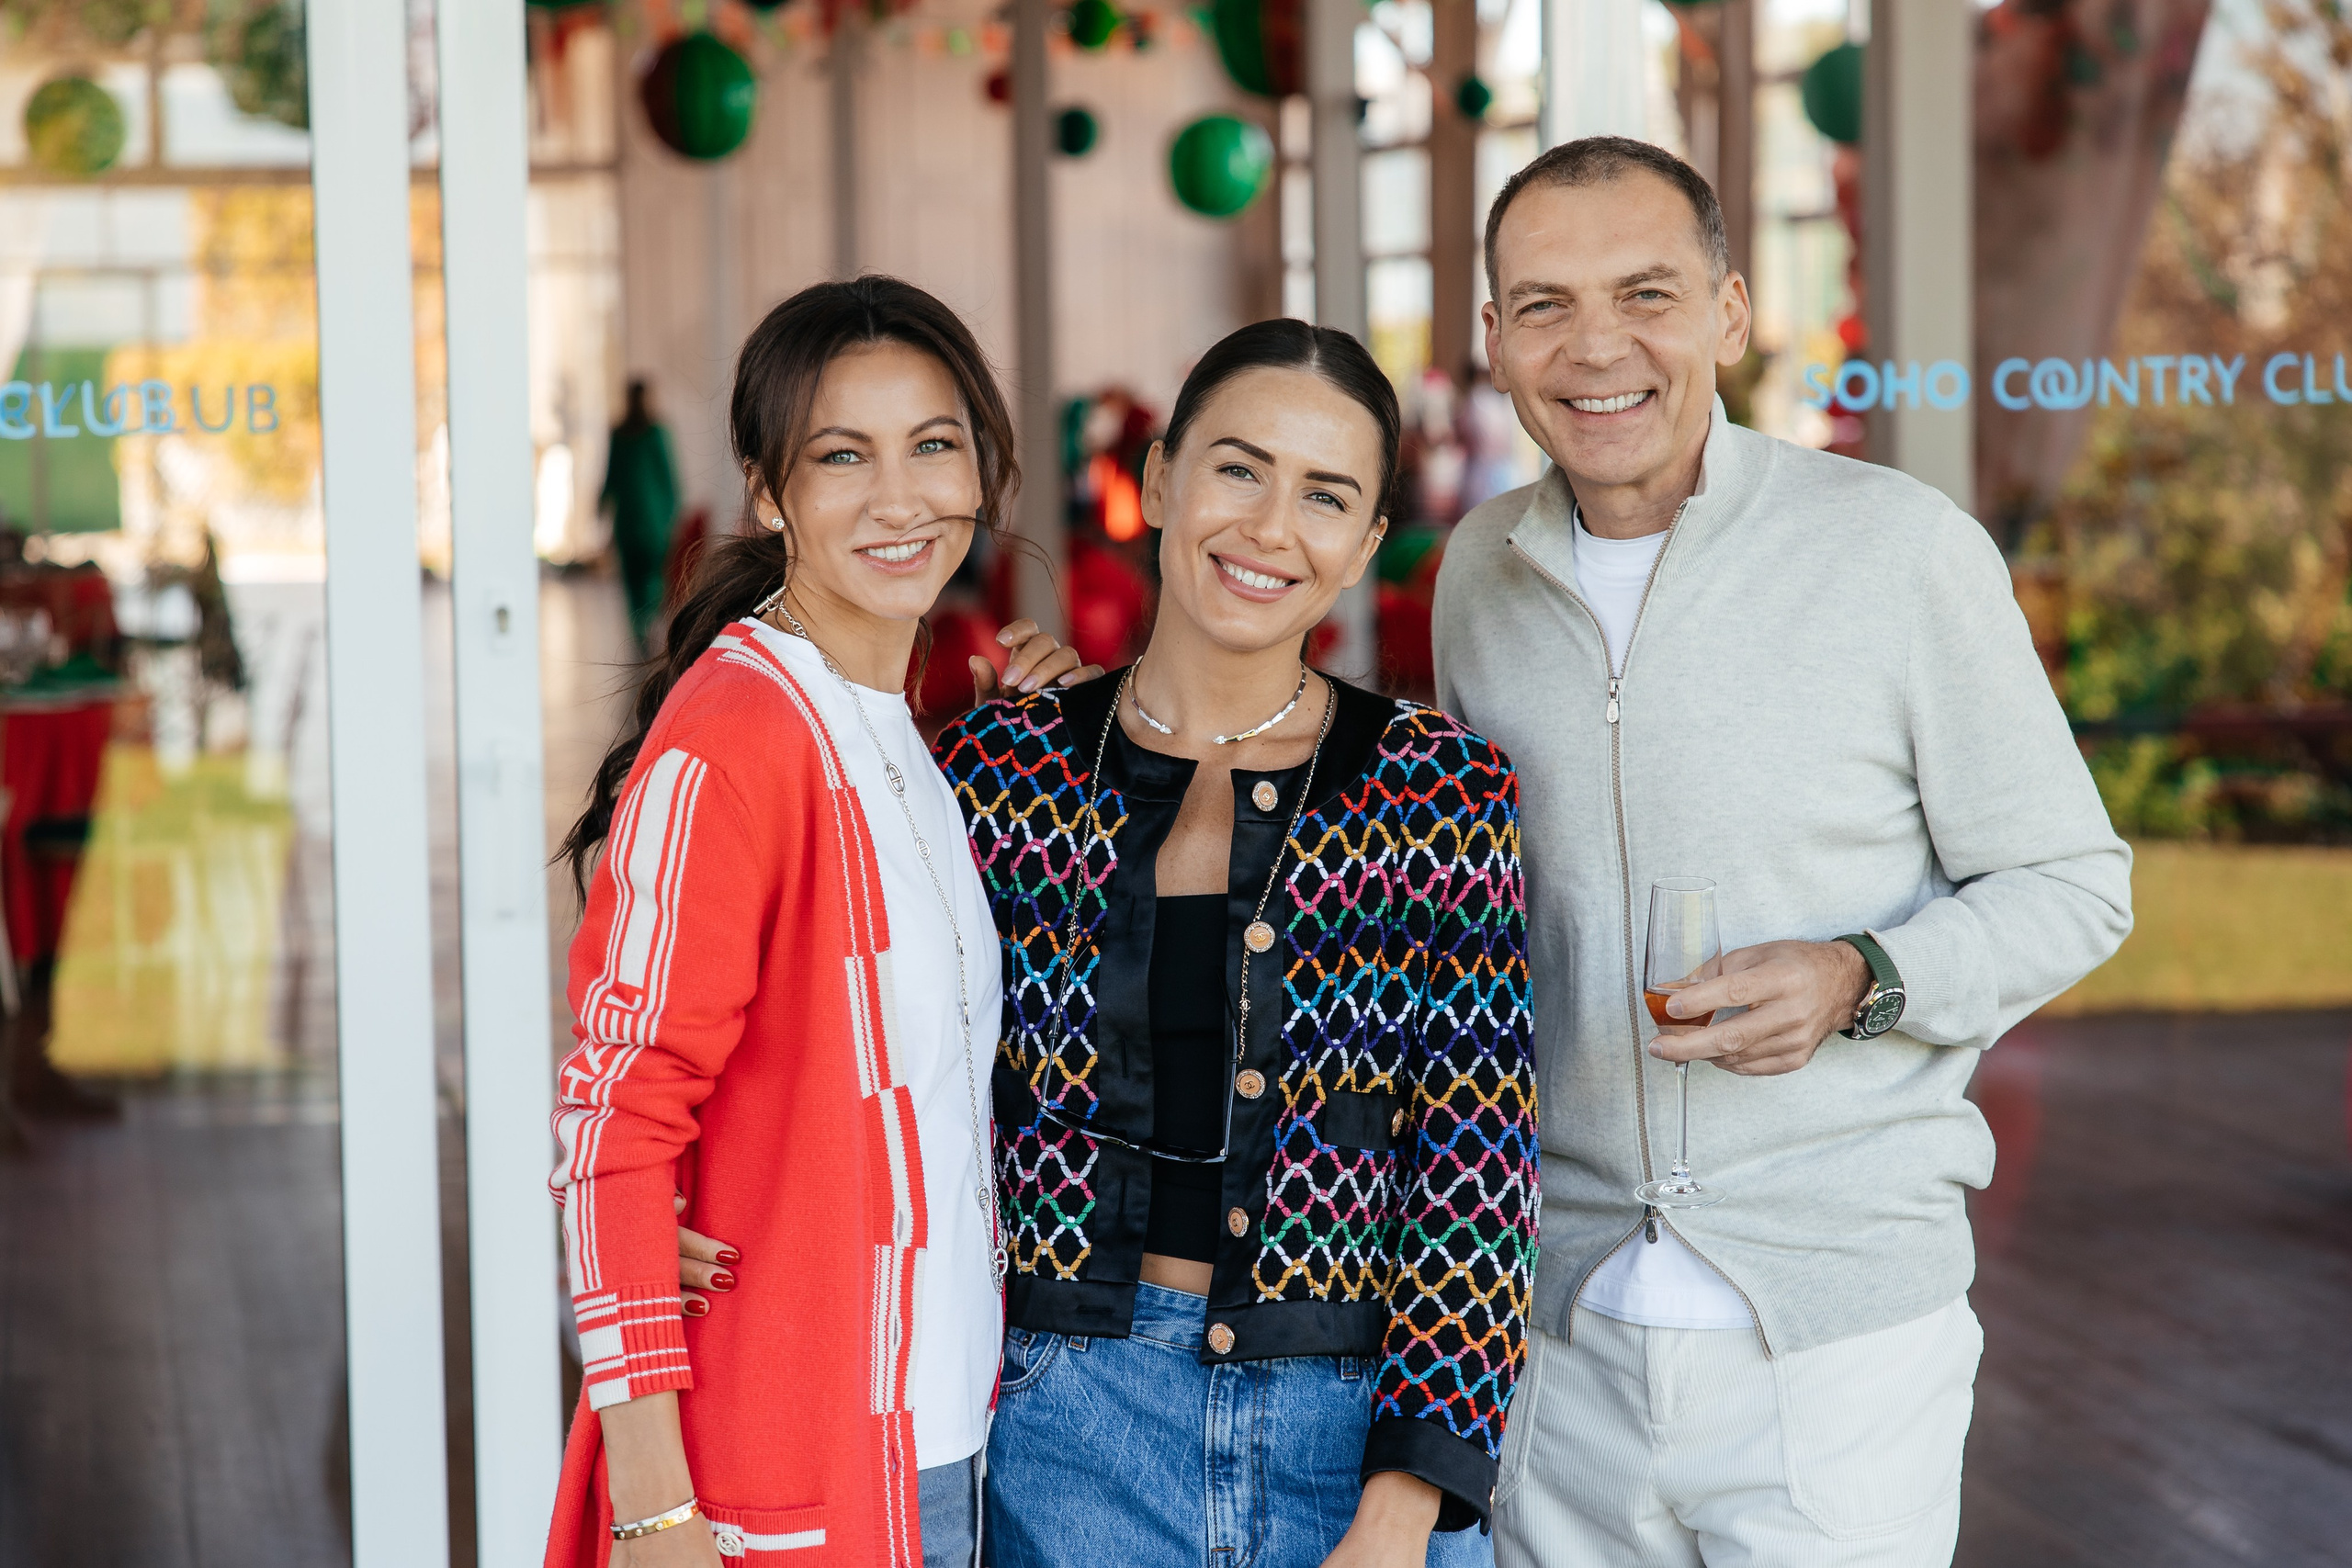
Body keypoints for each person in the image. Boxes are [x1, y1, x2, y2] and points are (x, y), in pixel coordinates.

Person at [1432, 137, 2134, 1566]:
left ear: (1733, 314)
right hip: (1555, 1331)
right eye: (1546, 304)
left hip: (1836, 1334)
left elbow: (2074, 882)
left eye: (1648, 292)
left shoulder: (1897, 549)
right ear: (1494, 337)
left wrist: (1858, 973)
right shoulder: (1477, 573)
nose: (1598, 347)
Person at [942, 320, 1538, 1567]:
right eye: (1238, 468)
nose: (1271, 526)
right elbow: (879, 1064)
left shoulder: (1439, 793)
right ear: (1158, 482)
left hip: (1353, 1434)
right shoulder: (999, 773)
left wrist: (1401, 1510)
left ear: (1368, 543)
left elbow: (1476, 1164)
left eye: (1326, 494)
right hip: (1064, 1427)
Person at [544, 276, 1093, 1568]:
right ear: (769, 489)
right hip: (782, 1464)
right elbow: (611, 1122)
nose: (900, 500)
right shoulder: (735, 737)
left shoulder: (893, 721)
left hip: (939, 1432)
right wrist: (656, 1510)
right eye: (843, 456)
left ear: (986, 466)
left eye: (935, 446)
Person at [601, 378, 682, 648]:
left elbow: (611, 478)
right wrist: (673, 514)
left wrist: (601, 507)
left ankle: (641, 627)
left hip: (631, 520)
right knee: (649, 575)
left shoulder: (624, 434)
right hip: (652, 521)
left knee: (636, 577)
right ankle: (645, 623)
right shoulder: (653, 433)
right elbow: (668, 479)